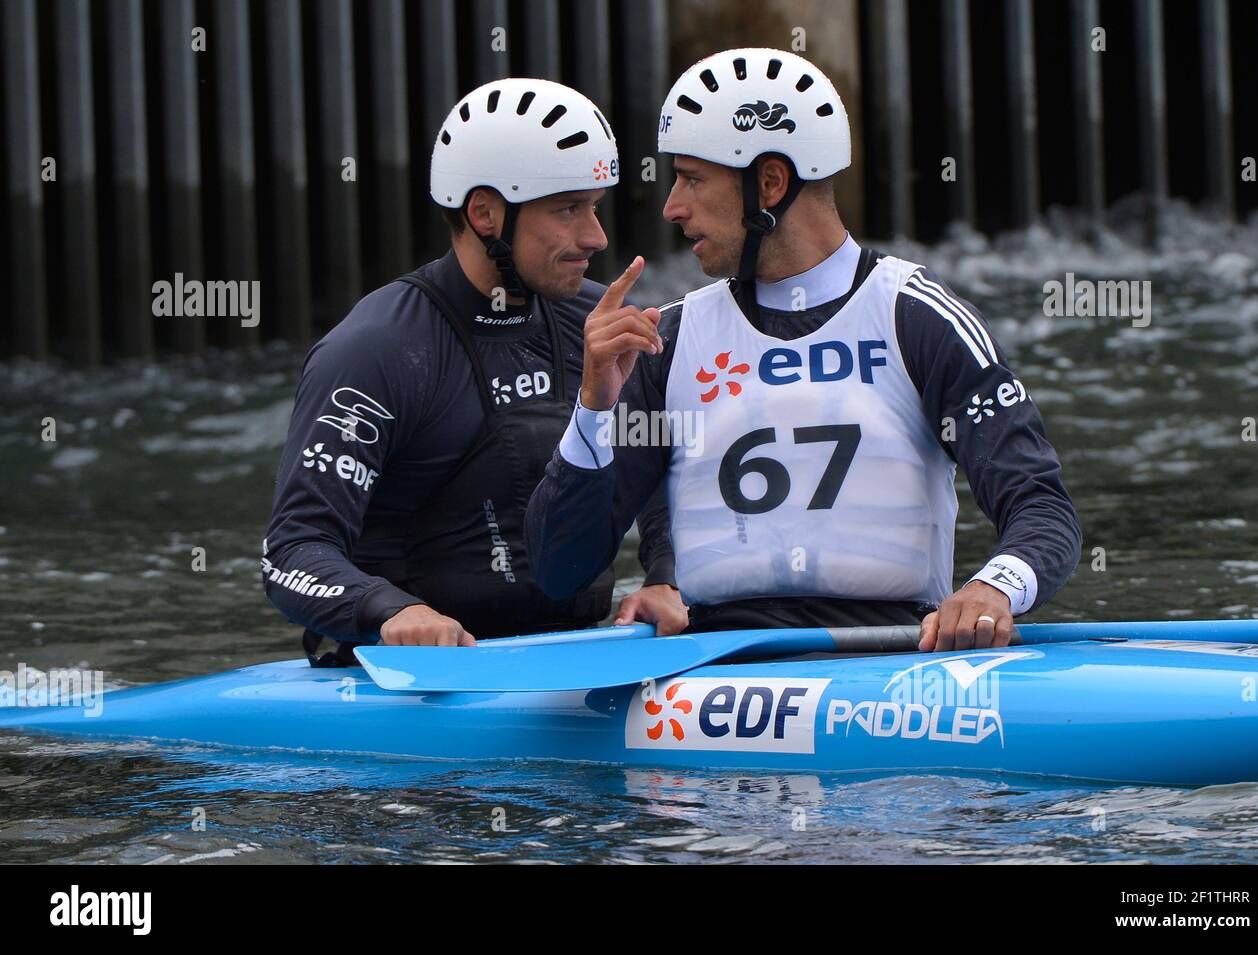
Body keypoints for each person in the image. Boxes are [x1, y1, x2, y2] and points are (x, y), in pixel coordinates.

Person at [525, 49, 1081, 652]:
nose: (672, 208)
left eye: (691, 178)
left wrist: (992, 590)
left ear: (769, 184)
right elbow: (561, 571)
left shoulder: (918, 318)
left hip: (891, 653)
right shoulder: (669, 338)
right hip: (719, 665)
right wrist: (593, 410)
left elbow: (1041, 507)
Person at [263, 78, 686, 665]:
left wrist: (666, 574)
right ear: (485, 213)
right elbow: (292, 552)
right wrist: (388, 610)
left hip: (579, 656)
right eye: (567, 209)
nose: (596, 236)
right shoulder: (378, 349)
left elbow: (658, 467)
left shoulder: (599, 325)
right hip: (419, 683)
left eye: (593, 207)